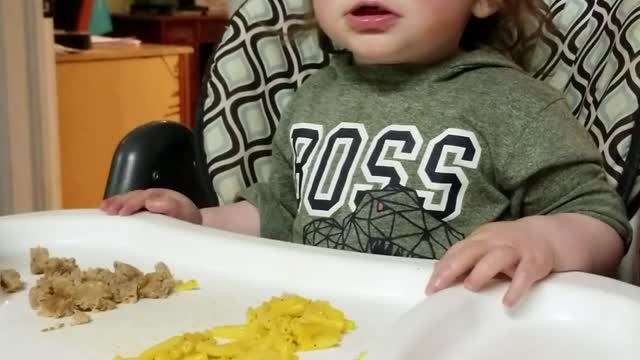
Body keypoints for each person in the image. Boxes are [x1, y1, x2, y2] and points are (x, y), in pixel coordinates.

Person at [101, 0, 631, 307]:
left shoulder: (513, 105)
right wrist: (194, 219)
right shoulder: (312, 97)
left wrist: (542, 237)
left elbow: (601, 219)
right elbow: (277, 214)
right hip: (308, 322)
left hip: (447, 331)